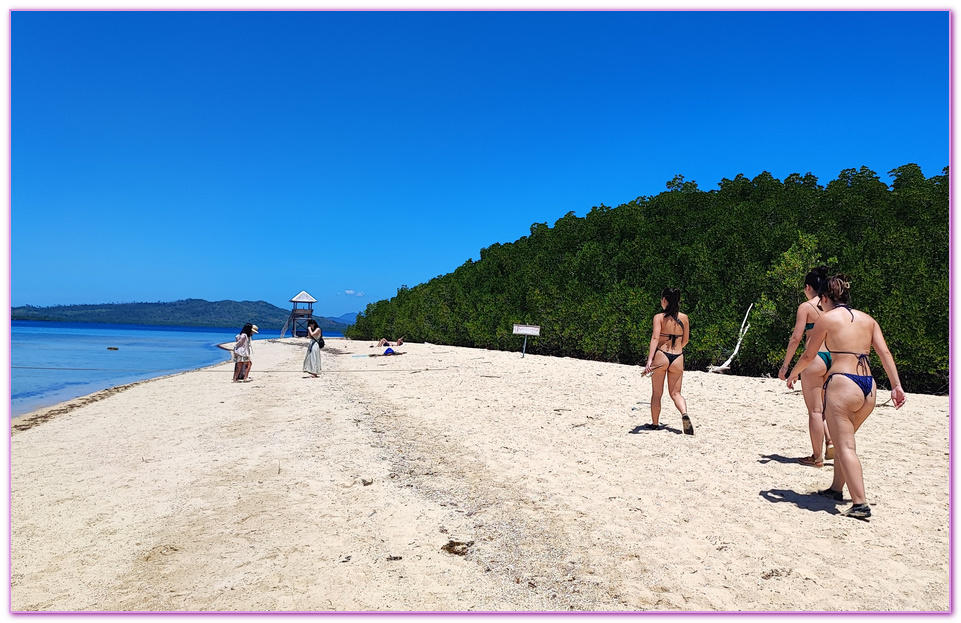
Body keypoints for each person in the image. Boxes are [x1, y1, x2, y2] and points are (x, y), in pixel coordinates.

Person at [786, 274, 906, 520]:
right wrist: (896, 385)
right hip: (869, 386)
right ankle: (836, 489)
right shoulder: (868, 320)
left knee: (846, 446)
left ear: (826, 298)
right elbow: (884, 352)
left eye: (821, 301)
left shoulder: (827, 319)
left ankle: (860, 503)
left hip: (843, 383)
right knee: (843, 441)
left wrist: (792, 374)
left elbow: (809, 356)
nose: (819, 305)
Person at [778, 266, 835, 467]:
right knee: (826, 408)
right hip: (833, 358)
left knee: (815, 410)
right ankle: (829, 441)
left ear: (808, 287)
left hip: (815, 357)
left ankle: (816, 457)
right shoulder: (833, 306)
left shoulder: (806, 307)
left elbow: (796, 338)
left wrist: (786, 366)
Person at [642, 288, 694, 435]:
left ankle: (655, 424)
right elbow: (686, 340)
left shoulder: (659, 317)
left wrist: (650, 360)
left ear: (664, 300)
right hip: (678, 356)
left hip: (662, 355)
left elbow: (655, 338)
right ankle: (684, 414)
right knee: (676, 393)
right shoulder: (684, 318)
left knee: (657, 393)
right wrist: (677, 349)